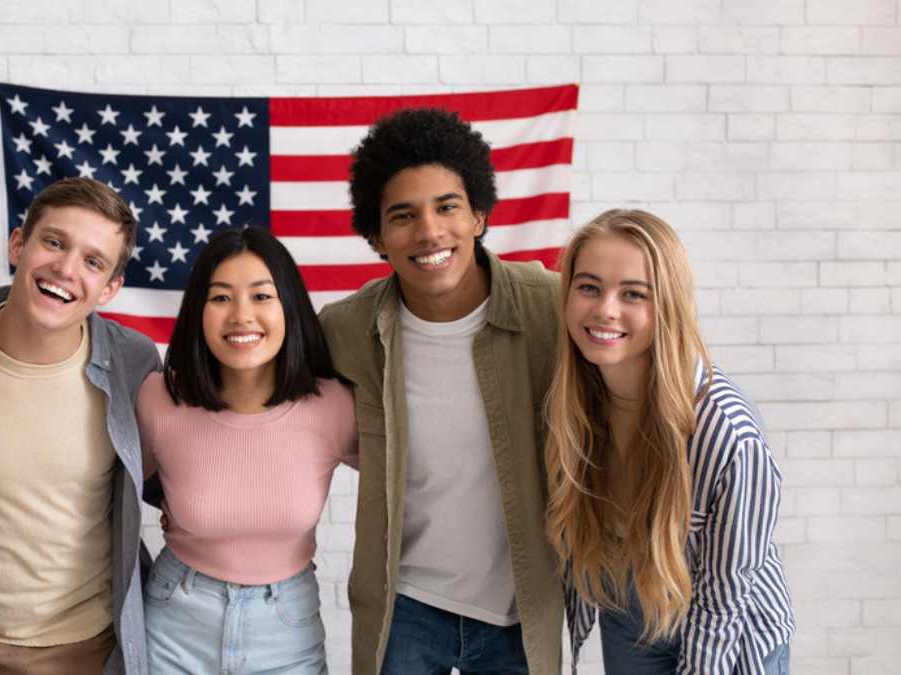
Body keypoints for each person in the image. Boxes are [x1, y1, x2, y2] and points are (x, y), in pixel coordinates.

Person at [317, 107, 563, 674]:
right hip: (405, 607)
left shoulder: (547, 306)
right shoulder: (345, 329)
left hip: (521, 607)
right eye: (403, 216)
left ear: (478, 214)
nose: (429, 231)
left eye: (447, 207)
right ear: (376, 236)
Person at [0, 178, 160, 675]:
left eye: (93, 261)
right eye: (54, 242)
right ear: (18, 244)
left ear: (110, 288)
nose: (65, 269)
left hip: (92, 651)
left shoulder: (133, 363)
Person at [545, 209, 795, 674]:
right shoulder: (576, 398)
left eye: (633, 294)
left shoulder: (725, 432)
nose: (605, 309)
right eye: (589, 287)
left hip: (729, 624)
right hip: (627, 607)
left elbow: (724, 597)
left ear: (668, 305)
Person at [136, 227, 357, 674]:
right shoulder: (159, 399)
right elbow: (106, 489)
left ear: (289, 307)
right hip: (174, 621)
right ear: (198, 310)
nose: (241, 315)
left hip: (286, 626)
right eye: (220, 298)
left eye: (261, 296)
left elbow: (409, 479)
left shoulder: (333, 405)